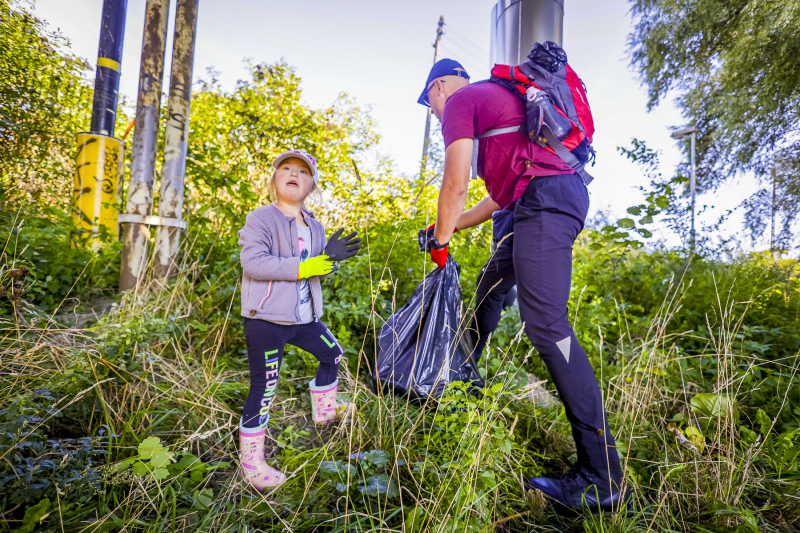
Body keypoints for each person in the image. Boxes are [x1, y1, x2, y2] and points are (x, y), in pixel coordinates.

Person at [417, 58, 628, 513]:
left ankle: (602, 473)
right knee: (490, 287)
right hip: (535, 201)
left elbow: (455, 183)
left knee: (551, 330)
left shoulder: (463, 101)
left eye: (430, 105)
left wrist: (440, 240)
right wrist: (445, 229)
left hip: (544, 204)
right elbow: (495, 198)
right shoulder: (504, 102)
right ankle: (462, 378)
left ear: (438, 88)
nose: (435, 114)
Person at [236, 150, 361, 491]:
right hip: (267, 320)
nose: (294, 174)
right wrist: (303, 266)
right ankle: (252, 465)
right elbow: (254, 264)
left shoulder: (315, 226)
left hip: (304, 318)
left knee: (332, 354)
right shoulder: (261, 218)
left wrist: (329, 260)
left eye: (303, 172)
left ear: (311, 185)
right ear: (275, 179)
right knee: (265, 389)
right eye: (286, 169)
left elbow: (317, 274)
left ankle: (325, 409)